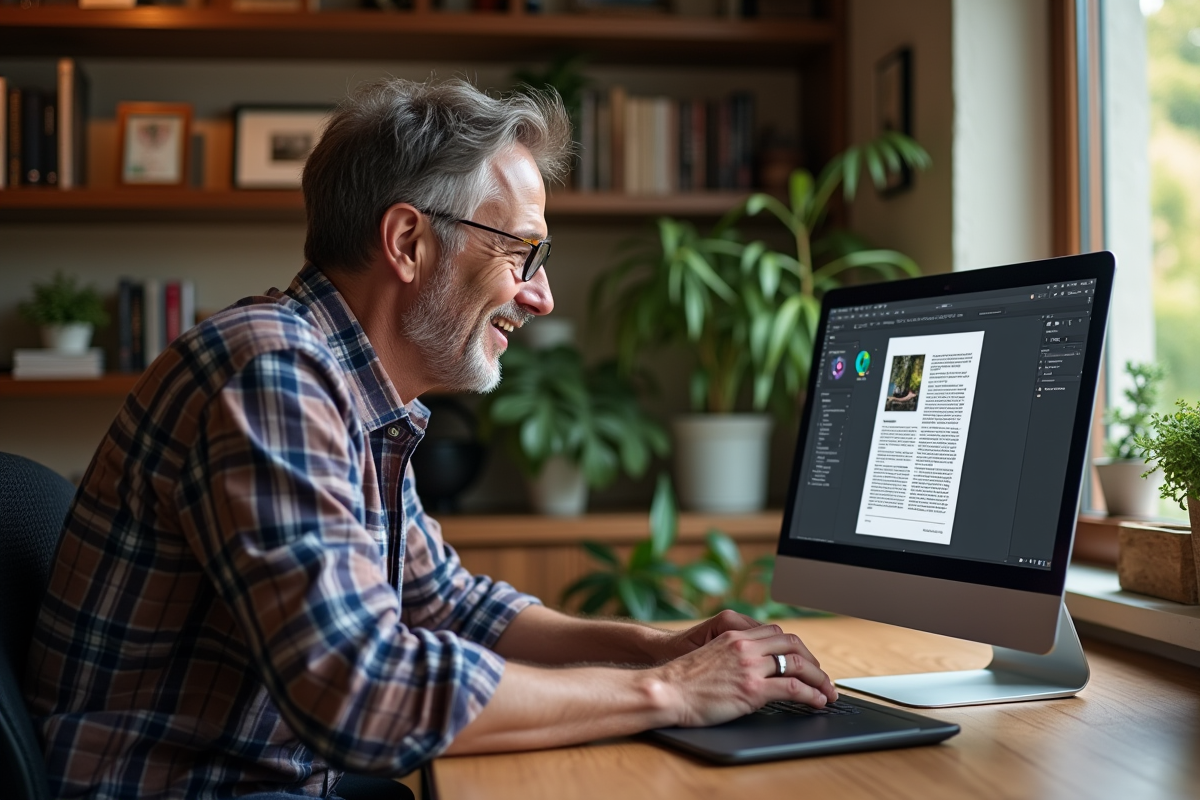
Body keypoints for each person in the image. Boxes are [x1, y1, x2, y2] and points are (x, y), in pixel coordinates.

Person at [24, 78, 836, 800]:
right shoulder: (270, 371)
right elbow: (361, 689)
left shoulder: (350, 390)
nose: (542, 295)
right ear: (409, 242)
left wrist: (660, 647)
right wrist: (672, 693)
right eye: (522, 250)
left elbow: (448, 604)